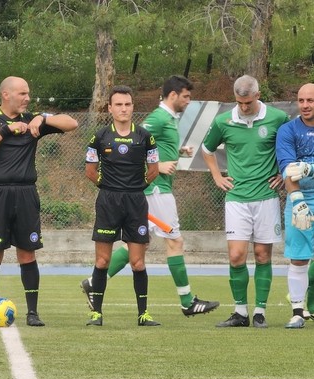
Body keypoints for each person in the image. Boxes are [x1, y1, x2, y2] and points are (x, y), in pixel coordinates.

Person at [80, 76, 220, 317]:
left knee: (139, 244)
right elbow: (133, 142)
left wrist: (176, 151)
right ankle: (187, 301)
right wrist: (160, 165)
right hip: (156, 190)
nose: (188, 101)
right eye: (186, 96)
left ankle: (94, 282)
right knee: (174, 241)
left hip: (150, 190)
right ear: (173, 95)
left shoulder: (168, 119)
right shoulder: (158, 117)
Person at [0, 76, 78, 327]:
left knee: (27, 254)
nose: (27, 98)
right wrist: (6, 130)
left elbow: (72, 123)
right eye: (22, 94)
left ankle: (32, 313)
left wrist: (43, 118)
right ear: (5, 95)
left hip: (26, 194)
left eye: (28, 94)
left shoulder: (32, 120)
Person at [202, 75, 288, 328]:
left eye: (248, 102)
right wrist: (217, 176)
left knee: (262, 255)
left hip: (266, 197)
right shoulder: (223, 121)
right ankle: (240, 313)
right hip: (237, 199)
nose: (243, 107)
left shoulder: (278, 118)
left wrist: (284, 175)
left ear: (258, 95)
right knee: (237, 256)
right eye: (239, 102)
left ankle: (260, 312)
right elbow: (207, 150)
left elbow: (288, 148)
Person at [84, 85, 161, 327]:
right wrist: (108, 187)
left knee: (138, 262)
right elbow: (90, 170)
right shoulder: (99, 137)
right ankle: (96, 313)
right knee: (102, 262)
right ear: (110, 108)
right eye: (118, 104)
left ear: (133, 107)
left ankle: (143, 314)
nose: (123, 108)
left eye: (127, 104)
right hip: (108, 201)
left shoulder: (145, 137)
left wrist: (135, 187)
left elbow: (154, 170)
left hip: (136, 202)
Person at [275, 83, 314, 328]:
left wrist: (311, 168)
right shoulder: (287, 130)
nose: (305, 105)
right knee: (299, 258)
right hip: (300, 197)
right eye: (301, 100)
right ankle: (298, 312)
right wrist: (298, 201)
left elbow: (302, 168)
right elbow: (289, 169)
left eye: (310, 100)